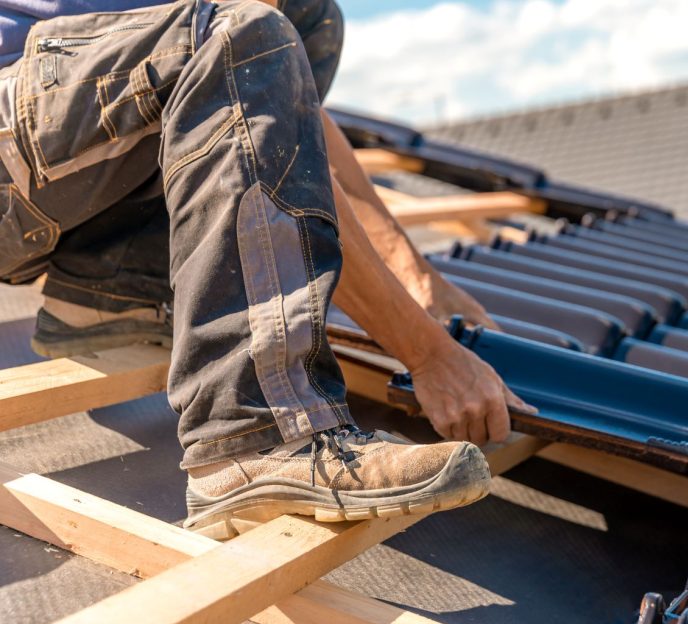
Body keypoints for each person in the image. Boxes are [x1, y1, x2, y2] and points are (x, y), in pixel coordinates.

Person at [0, 0, 534, 540]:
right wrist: (429, 355)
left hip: (46, 150)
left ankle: (110, 285)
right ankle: (254, 436)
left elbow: (285, 115)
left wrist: (417, 278)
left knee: (306, 21)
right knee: (247, 36)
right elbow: (246, 76)